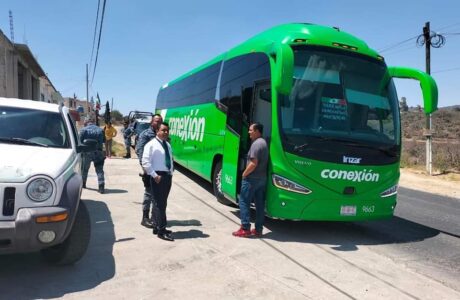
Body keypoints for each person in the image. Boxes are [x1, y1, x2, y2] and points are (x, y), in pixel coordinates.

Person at [232, 122, 268, 238]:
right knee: (259, 205)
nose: (249, 132)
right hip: (261, 179)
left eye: (251, 130)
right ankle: (258, 230)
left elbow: (253, 163)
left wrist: (244, 174)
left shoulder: (256, 144)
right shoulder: (264, 143)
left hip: (252, 179)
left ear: (257, 131)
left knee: (243, 202)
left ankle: (245, 228)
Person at [142, 122, 174, 241]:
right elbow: (145, 161)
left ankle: (156, 225)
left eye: (167, 130)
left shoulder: (167, 145)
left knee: (161, 203)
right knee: (160, 205)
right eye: (163, 130)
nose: (165, 132)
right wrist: (155, 175)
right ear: (157, 131)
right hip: (158, 177)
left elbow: (170, 160)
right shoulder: (151, 145)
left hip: (167, 177)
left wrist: (170, 172)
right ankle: (162, 230)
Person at [135, 114, 163, 228]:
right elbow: (139, 151)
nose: (158, 123)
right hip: (150, 169)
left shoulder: (161, 135)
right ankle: (145, 218)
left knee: (157, 195)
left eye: (160, 121)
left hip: (161, 170)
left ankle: (154, 217)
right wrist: (145, 168)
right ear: (152, 122)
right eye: (156, 121)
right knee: (149, 193)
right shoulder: (146, 134)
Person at [80, 118, 106, 194]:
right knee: (99, 170)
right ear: (93, 122)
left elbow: (79, 141)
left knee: (85, 169)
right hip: (98, 152)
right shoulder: (100, 130)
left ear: (87, 122)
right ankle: (101, 186)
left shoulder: (83, 130)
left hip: (86, 152)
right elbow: (104, 141)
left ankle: (83, 183)